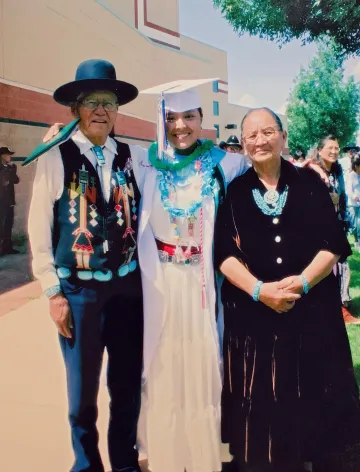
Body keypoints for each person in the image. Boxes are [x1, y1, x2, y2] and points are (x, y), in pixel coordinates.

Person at [44, 94, 328, 472]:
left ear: (201, 119)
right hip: (160, 279)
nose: (181, 126)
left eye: (190, 117)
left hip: (201, 279)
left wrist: (308, 175)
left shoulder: (223, 163)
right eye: (173, 118)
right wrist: (64, 134)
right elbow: (99, 147)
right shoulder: (145, 160)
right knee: (161, 363)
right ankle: (166, 452)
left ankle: (207, 451)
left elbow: (263, 160)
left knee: (205, 360)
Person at [214, 107, 360, 472]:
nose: (260, 140)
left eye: (268, 132)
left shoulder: (309, 183)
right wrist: (260, 290)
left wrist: (306, 280)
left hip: (312, 316)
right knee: (267, 403)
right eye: (252, 135)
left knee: (315, 398)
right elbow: (225, 255)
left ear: (283, 137)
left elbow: (333, 243)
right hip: (257, 319)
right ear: (244, 144)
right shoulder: (234, 191)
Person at [28, 59, 144, 472]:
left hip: (129, 292)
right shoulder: (56, 157)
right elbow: (39, 229)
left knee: (127, 385)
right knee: (81, 395)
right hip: (79, 293)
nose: (101, 110)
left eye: (109, 102)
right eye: (92, 102)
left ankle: (126, 464)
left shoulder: (135, 157)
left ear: (118, 110)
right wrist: (53, 292)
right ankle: (87, 466)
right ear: (76, 108)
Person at [315, 135, 359, 324]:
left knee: (342, 266)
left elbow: (341, 199)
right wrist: (313, 166)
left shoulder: (338, 170)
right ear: (319, 150)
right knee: (322, 269)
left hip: (337, 225)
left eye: (336, 148)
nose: (334, 151)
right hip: (317, 229)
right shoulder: (312, 172)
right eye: (330, 148)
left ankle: (342, 306)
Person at [0, 146, 20, 256]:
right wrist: (8, 170)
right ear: (2, 156)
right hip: (1, 201)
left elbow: (16, 180)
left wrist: (13, 169)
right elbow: (4, 182)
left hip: (9, 201)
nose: (9, 157)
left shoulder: (10, 168)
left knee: (8, 225)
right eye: (8, 154)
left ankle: (8, 248)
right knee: (1, 227)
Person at [347, 155, 360, 250]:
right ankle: (355, 241)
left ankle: (359, 240)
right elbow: (348, 190)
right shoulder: (351, 175)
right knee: (355, 224)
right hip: (353, 204)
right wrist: (354, 197)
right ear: (356, 166)